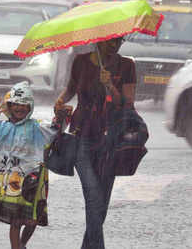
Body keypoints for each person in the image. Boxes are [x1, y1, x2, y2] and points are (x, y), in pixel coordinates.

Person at [54, 36, 137, 249]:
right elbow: (72, 89)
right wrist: (61, 101)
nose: (114, 45)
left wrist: (110, 85)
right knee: (93, 196)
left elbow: (126, 104)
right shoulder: (80, 62)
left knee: (102, 203)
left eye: (119, 41)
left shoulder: (126, 65)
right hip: (82, 135)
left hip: (111, 139)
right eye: (109, 41)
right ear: (97, 40)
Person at [0, 81, 59, 249]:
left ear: (30, 106)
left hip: (33, 181)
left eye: (24, 104)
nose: (19, 108)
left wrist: (61, 117)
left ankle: (23, 244)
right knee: (16, 221)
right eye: (15, 104)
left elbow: (56, 131)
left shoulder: (37, 127)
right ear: (9, 106)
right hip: (9, 181)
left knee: (32, 220)